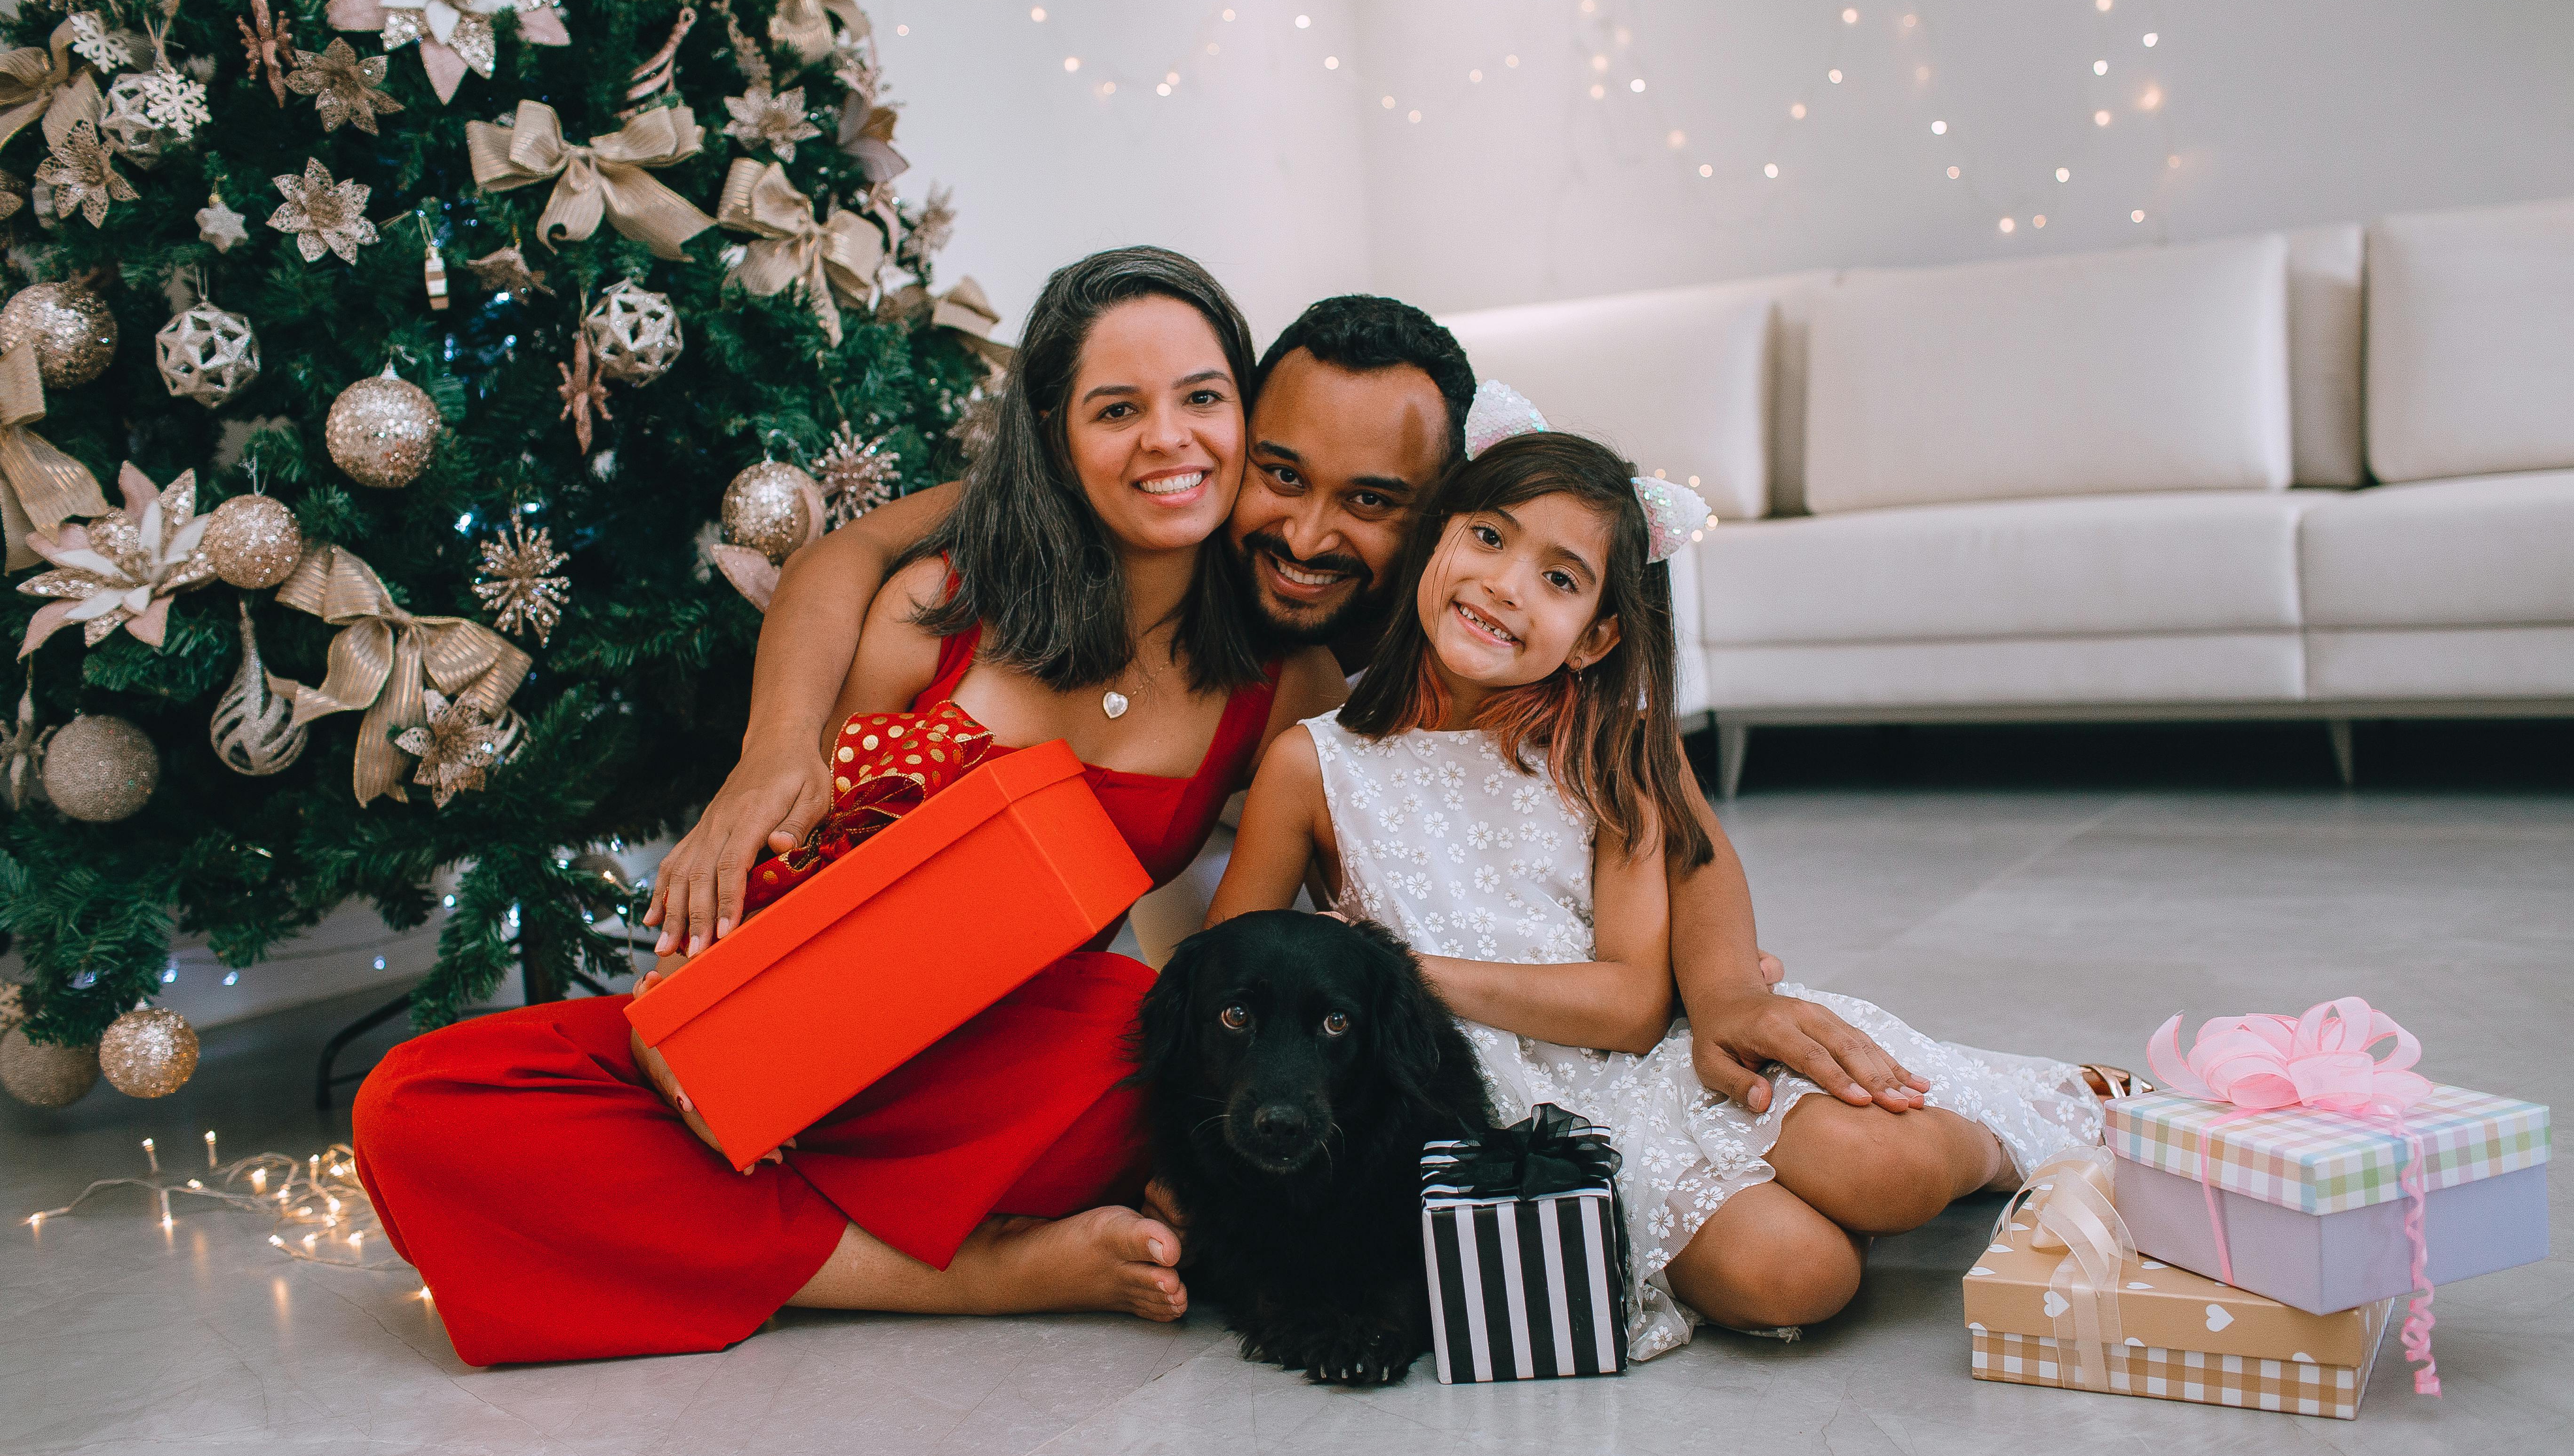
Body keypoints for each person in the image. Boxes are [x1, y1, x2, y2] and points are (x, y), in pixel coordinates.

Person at [353, 247, 1343, 1365]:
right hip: (814, 1024)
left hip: (1016, 1083)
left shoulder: (1282, 683)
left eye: (1203, 398)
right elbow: (804, 859)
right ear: (1058, 441)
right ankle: (976, 1274)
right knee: (417, 1104)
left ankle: (719, 1230)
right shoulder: (939, 601)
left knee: (1137, 1046)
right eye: (1118, 409)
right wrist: (700, 1003)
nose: (1170, 439)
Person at [649, 303, 1940, 1126]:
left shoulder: (1448, 617)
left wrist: (1714, 985)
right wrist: (776, 754)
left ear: (1445, 509)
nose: (1309, 537)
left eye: (1376, 503)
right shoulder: (1170, 512)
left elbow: (1659, 794)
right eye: (1281, 475)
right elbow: (839, 558)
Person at [1206, 421, 2107, 1355]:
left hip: (1647, 1063)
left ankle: (2013, 1147)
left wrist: (1395, 972)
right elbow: (1227, 975)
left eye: (1559, 579)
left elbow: (1634, 1005)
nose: (1506, 585)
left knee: (1889, 1167)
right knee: (1797, 1279)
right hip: (1493, 1110)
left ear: (1595, 636)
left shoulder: (1606, 749)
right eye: (1488, 536)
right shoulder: (1313, 766)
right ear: (1438, 537)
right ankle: (1805, 1197)